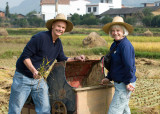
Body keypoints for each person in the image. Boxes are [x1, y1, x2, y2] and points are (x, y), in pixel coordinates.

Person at [8, 13, 85, 114]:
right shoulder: (40, 38)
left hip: (38, 80)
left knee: (44, 108)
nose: (60, 29)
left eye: (63, 27)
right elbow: (25, 57)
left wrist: (76, 58)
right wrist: (34, 71)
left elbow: (62, 58)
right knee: (15, 109)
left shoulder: (58, 43)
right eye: (58, 26)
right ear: (53, 26)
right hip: (23, 78)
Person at [101, 16, 136, 114]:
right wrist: (109, 77)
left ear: (123, 31)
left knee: (114, 111)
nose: (115, 32)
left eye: (118, 30)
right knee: (124, 110)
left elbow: (128, 66)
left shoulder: (125, 46)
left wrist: (128, 82)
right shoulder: (115, 44)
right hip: (120, 83)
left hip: (124, 84)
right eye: (113, 30)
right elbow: (113, 65)